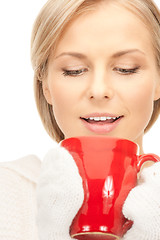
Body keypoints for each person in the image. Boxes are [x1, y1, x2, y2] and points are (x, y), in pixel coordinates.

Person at [1, 0, 160, 239]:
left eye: (126, 69)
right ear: (46, 87)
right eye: (74, 70)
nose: (98, 90)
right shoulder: (8, 192)